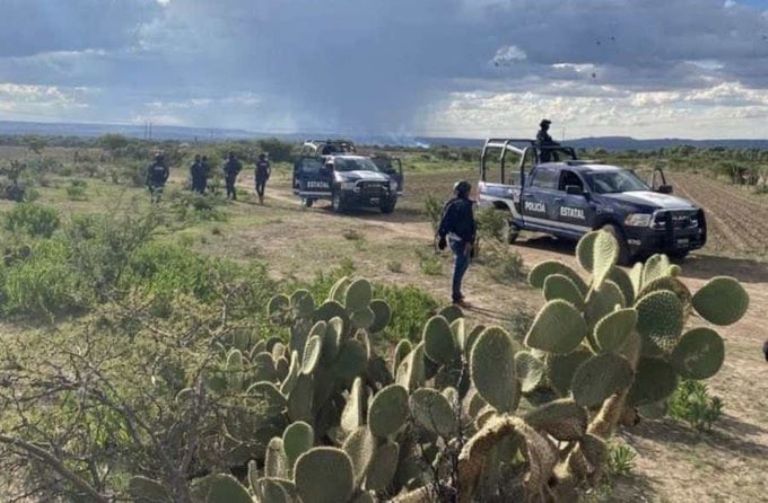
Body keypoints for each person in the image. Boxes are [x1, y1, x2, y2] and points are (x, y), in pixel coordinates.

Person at [437, 180, 477, 308]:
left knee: (460, 266)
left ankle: (457, 294)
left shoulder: (451, 204)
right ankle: (456, 297)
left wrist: (442, 237)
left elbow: (444, 222)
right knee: (460, 267)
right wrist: (469, 242)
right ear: (466, 192)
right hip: (462, 241)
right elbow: (468, 227)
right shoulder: (465, 206)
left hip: (453, 239)